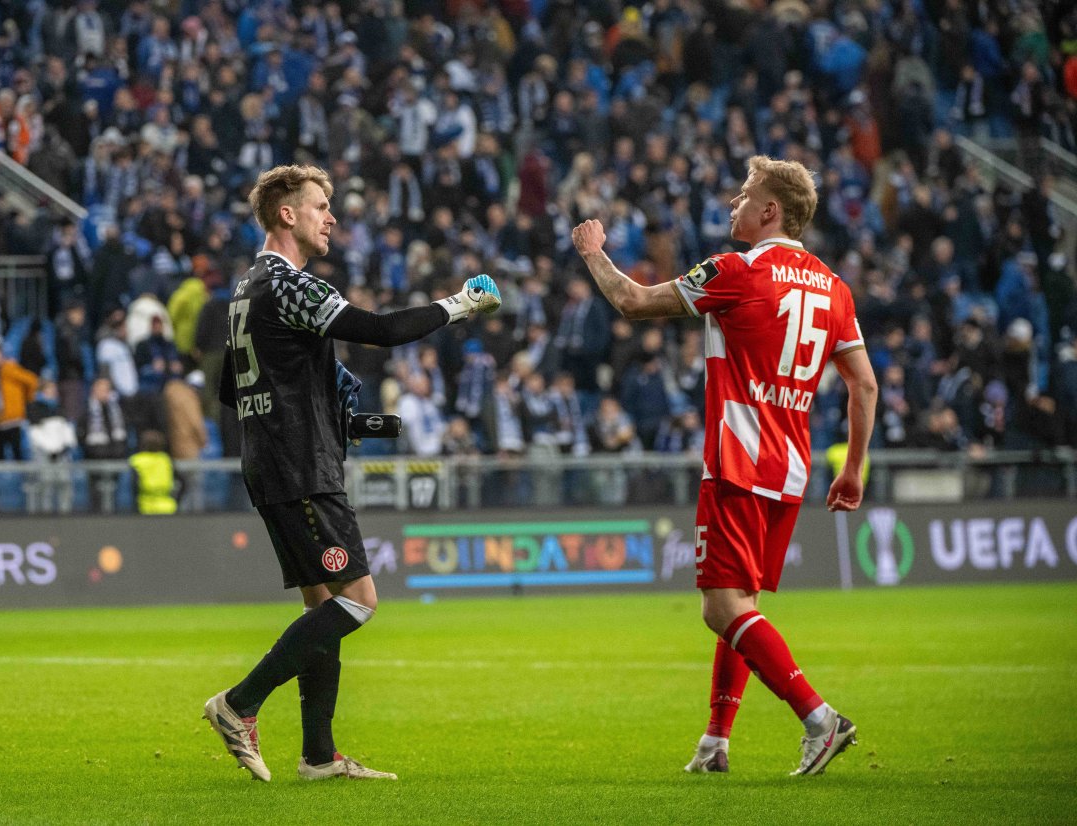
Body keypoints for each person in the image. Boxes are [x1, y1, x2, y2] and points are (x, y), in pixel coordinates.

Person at [572, 155, 878, 776]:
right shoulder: (834, 286)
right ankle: (716, 741)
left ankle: (820, 719)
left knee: (720, 608)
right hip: (790, 469)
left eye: (744, 194)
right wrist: (855, 469)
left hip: (738, 461)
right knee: (742, 603)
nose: (734, 203)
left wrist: (592, 251)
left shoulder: (735, 271)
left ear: (771, 211)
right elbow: (864, 385)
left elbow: (631, 301)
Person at [204, 164, 500, 783]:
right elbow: (380, 330)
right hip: (303, 470)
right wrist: (460, 303)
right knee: (358, 602)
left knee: (322, 607)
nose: (331, 216)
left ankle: (317, 756)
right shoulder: (288, 283)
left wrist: (329, 413)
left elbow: (232, 388)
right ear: (287, 214)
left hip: (270, 462)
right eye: (320, 205)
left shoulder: (245, 289)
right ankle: (238, 704)